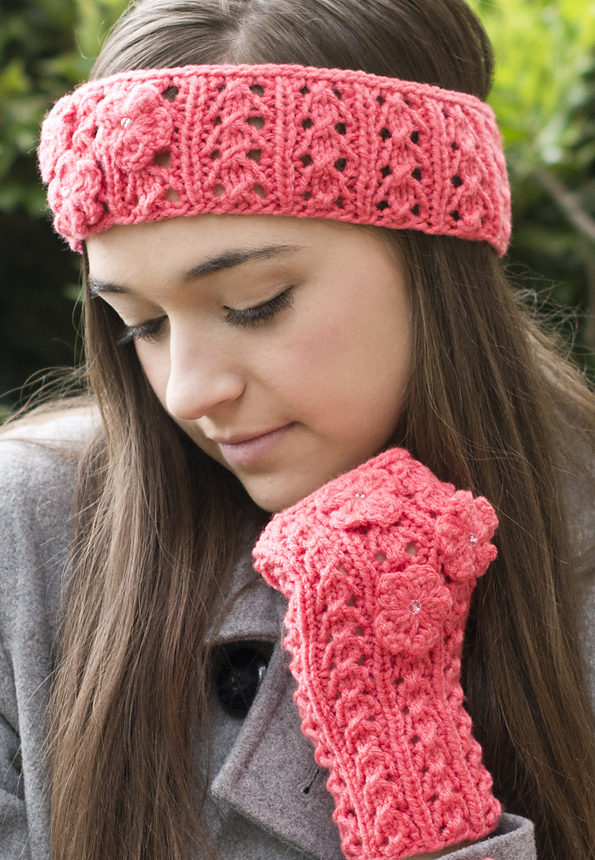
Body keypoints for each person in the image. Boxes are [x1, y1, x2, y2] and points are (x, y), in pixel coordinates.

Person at [0, 0, 593, 858]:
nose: (187, 392)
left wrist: (405, 765)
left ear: (439, 266)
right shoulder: (25, 537)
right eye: (141, 325)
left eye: (254, 305)